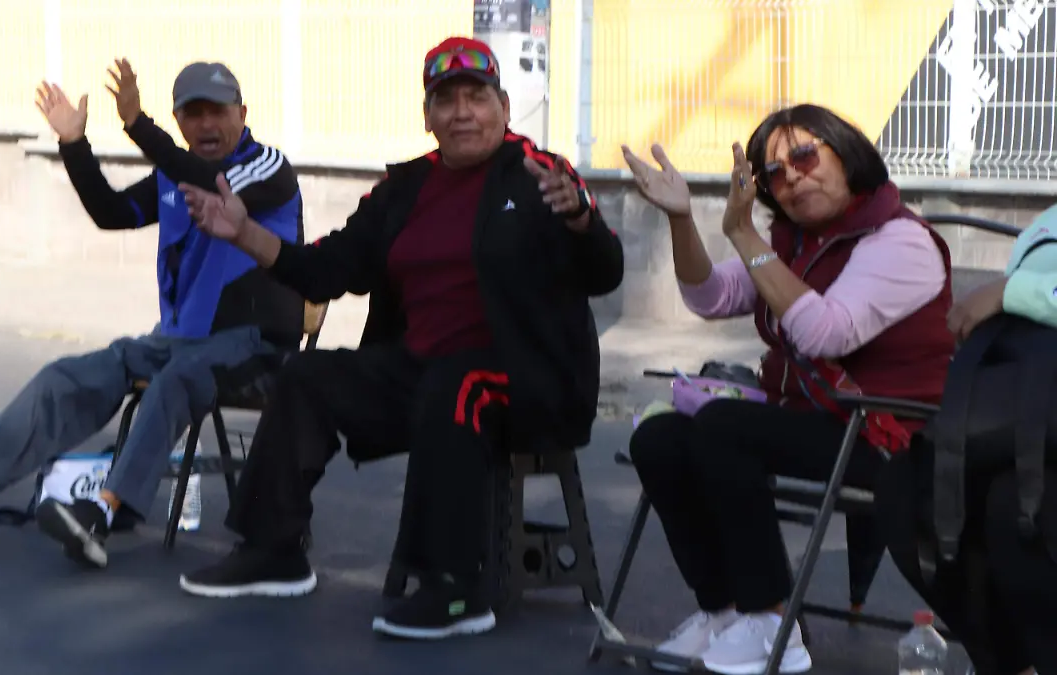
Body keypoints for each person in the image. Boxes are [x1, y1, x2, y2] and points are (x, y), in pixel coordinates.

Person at [174, 36, 623, 640]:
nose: (462, 112)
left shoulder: (541, 175)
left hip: (528, 377)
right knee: (306, 378)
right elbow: (328, 269)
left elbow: (605, 272)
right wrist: (243, 232)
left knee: (456, 384)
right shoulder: (405, 188)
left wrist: (581, 221)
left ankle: (457, 587)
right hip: (422, 371)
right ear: (428, 116)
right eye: (446, 100)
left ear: (504, 107)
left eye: (476, 96)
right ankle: (273, 551)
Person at [0, 59, 304, 570]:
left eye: (218, 112)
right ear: (179, 120)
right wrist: (75, 145)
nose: (207, 125)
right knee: (68, 377)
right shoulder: (173, 174)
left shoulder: (265, 166)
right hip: (181, 341)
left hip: (255, 343)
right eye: (193, 114)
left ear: (243, 112)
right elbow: (112, 213)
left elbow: (213, 180)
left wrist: (138, 125)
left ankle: (104, 512)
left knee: (176, 377)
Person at [620, 104, 954, 674]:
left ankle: (771, 618)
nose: (792, 177)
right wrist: (682, 218)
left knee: (726, 430)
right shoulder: (796, 240)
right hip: (814, 418)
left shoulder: (900, 241)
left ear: (846, 156)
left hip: (889, 432)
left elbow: (826, 332)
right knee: (659, 435)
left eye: (804, 156)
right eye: (774, 172)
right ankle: (725, 613)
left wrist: (745, 233)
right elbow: (711, 298)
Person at [878, 205, 1057, 675]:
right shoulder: (1048, 222)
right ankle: (1006, 664)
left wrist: (1011, 292)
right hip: (1022, 413)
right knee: (910, 491)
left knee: (1018, 509)